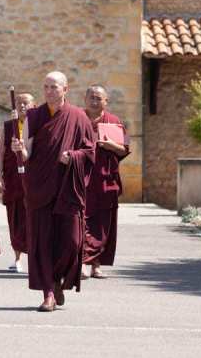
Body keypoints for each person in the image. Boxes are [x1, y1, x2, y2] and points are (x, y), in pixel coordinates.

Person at [12, 71, 95, 312]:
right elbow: (27, 153)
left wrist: (73, 157)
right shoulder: (34, 116)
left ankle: (58, 281)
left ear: (65, 89)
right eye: (46, 87)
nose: (49, 91)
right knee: (42, 242)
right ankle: (48, 291)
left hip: (68, 188)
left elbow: (90, 152)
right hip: (39, 188)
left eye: (54, 87)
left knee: (72, 241)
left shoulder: (79, 118)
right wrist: (19, 149)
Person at [82, 85, 129, 279]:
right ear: (85, 99)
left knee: (102, 224)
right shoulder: (78, 119)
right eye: (91, 97)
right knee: (80, 222)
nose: (94, 101)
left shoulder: (114, 122)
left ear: (106, 101)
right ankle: (82, 262)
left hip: (105, 181)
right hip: (82, 180)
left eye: (99, 98)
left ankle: (97, 264)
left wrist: (111, 145)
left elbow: (124, 150)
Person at [0, 92, 35, 273]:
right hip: (13, 178)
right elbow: (2, 151)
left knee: (34, 218)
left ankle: (36, 257)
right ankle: (17, 258)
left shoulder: (37, 124)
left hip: (33, 177)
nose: (22, 106)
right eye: (19, 103)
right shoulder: (9, 125)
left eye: (26, 103)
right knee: (14, 217)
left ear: (33, 105)